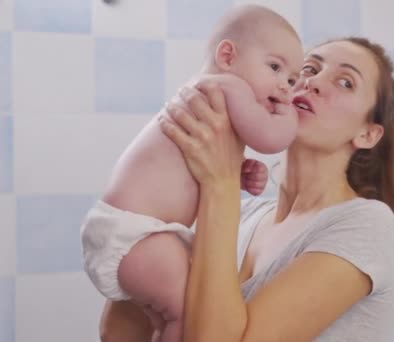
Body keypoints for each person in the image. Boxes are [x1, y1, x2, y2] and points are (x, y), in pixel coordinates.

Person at [156, 36, 394, 341]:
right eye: (308, 68)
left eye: (345, 82)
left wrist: (220, 185)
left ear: (368, 134)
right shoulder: (241, 214)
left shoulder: (369, 227)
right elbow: (119, 330)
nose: (313, 82)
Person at [81, 5, 303, 342]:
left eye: (291, 80)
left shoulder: (212, 101)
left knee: (165, 317)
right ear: (227, 55)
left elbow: (192, 165)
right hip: (136, 234)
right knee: (189, 311)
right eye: (275, 67)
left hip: (137, 232)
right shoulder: (226, 87)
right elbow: (273, 138)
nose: (286, 87)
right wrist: (290, 115)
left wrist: (240, 172)